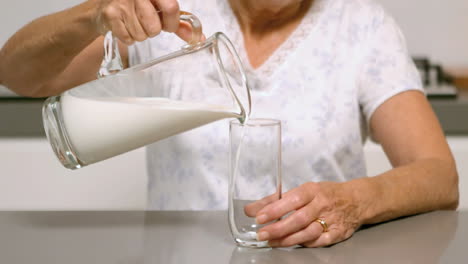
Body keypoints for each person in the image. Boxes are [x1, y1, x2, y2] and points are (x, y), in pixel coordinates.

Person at [0, 0, 459, 248]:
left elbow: (438, 175)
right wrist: (95, 13)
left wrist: (354, 202)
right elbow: (17, 74)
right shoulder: (169, 18)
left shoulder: (362, 27)